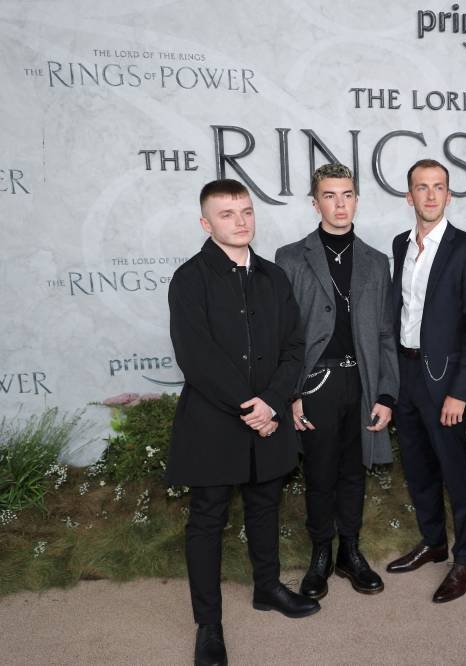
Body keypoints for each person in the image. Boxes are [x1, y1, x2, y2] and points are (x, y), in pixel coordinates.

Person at [167, 179, 318, 666]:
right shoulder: (189, 279)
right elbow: (196, 355)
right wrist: (250, 407)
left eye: (246, 211)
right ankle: (208, 625)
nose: (241, 221)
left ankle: (267, 588)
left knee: (265, 506)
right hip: (215, 422)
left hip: (270, 417)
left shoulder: (274, 276)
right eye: (227, 214)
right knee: (207, 520)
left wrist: (272, 403)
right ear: (205, 223)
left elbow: (295, 347)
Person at [274, 163, 398, 599]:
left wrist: (386, 393)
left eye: (347, 195)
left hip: (361, 383)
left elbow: (385, 334)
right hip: (316, 384)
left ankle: (350, 551)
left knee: (353, 472)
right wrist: (292, 393)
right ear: (315, 203)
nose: (339, 204)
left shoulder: (376, 262)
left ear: (356, 200)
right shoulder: (291, 258)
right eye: (329, 196)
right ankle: (320, 555)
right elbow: (284, 335)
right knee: (320, 473)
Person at [385, 159, 466, 603]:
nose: (430, 195)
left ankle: (464, 558)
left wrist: (460, 392)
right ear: (408, 196)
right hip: (406, 373)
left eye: (438, 187)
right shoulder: (400, 244)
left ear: (449, 195)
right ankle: (433, 542)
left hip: (445, 380)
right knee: (417, 467)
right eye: (421, 187)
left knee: (454, 471)